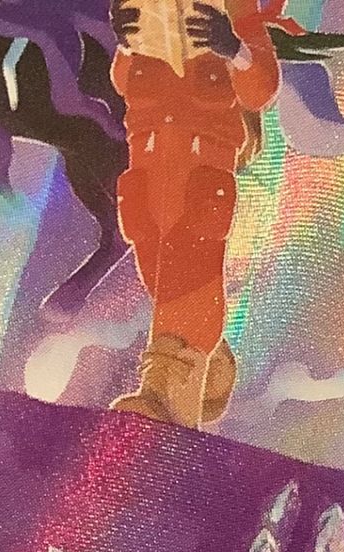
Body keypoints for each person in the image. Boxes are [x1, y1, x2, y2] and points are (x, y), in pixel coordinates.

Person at [107, 0, 279, 428]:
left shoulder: (234, 9)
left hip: (199, 170)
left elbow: (261, 87)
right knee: (161, 273)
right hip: (147, 171)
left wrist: (232, 48)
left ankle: (167, 393)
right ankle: (201, 366)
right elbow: (125, 81)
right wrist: (126, 42)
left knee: (190, 264)